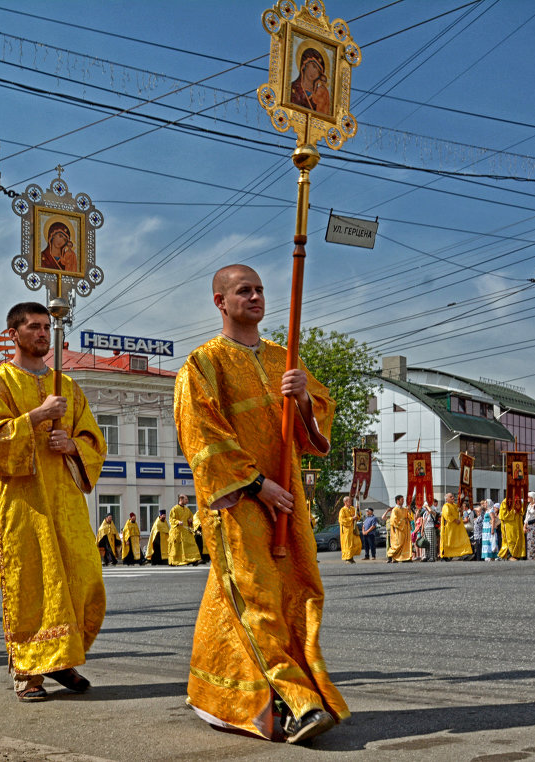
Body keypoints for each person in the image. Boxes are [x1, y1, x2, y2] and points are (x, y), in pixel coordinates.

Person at [173, 264, 346, 743]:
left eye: (260, 290)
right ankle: (300, 700)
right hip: (240, 501)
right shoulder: (202, 365)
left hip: (288, 499)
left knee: (298, 591)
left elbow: (314, 434)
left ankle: (223, 696)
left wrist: (306, 404)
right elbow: (201, 435)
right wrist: (256, 485)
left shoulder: (283, 359)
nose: (255, 297)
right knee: (256, 597)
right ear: (220, 302)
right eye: (243, 290)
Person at [0, 301, 107, 702]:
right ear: (13, 334)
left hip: (64, 500)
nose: (42, 334)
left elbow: (93, 439)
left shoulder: (67, 385)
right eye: (33, 327)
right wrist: (36, 416)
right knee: (31, 584)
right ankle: (29, 672)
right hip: (22, 502)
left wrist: (71, 444)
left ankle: (62, 659)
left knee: (82, 581)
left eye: (46, 327)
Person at [289, 44, 331, 115]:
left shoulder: (320, 94)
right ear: (305, 64)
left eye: (318, 71)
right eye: (313, 66)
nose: (314, 72)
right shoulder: (291, 89)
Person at [168, 494, 200, 566]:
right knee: (177, 547)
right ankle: (174, 561)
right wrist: (178, 522)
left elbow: (191, 518)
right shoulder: (174, 509)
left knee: (191, 545)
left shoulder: (187, 509)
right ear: (181, 499)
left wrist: (190, 520)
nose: (187, 501)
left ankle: (193, 560)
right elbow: (171, 519)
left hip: (186, 531)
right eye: (186, 499)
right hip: (177, 532)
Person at [439, 493, 472, 560]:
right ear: (447, 499)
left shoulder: (455, 505)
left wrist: (461, 510)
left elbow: (460, 514)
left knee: (462, 540)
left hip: (458, 528)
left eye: (453, 496)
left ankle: (464, 554)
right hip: (450, 528)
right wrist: (454, 520)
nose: (453, 498)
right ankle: (446, 555)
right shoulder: (446, 506)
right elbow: (447, 515)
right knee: (449, 542)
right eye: (450, 497)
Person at [381, 495, 413, 563]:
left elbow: (410, 518)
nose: (403, 501)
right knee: (398, 544)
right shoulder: (395, 510)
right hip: (399, 530)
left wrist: (409, 510)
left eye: (403, 499)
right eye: (402, 499)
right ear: (398, 501)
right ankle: (390, 555)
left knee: (405, 544)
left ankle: (405, 558)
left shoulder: (405, 509)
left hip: (405, 530)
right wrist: (403, 522)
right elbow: (393, 520)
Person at [497, 493, 526, 560]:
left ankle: (517, 555)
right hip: (509, 525)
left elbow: (522, 512)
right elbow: (503, 515)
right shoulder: (505, 501)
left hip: (517, 525)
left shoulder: (519, 501)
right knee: (510, 539)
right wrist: (513, 512)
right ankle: (510, 555)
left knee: (517, 539)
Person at [338, 495, 361, 563]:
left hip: (352, 529)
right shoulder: (342, 510)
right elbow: (341, 520)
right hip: (346, 530)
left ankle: (351, 557)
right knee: (348, 544)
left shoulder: (352, 508)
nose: (350, 502)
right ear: (345, 502)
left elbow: (358, 517)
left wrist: (358, 510)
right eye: (349, 501)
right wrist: (351, 518)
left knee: (355, 543)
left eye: (350, 501)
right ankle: (348, 558)